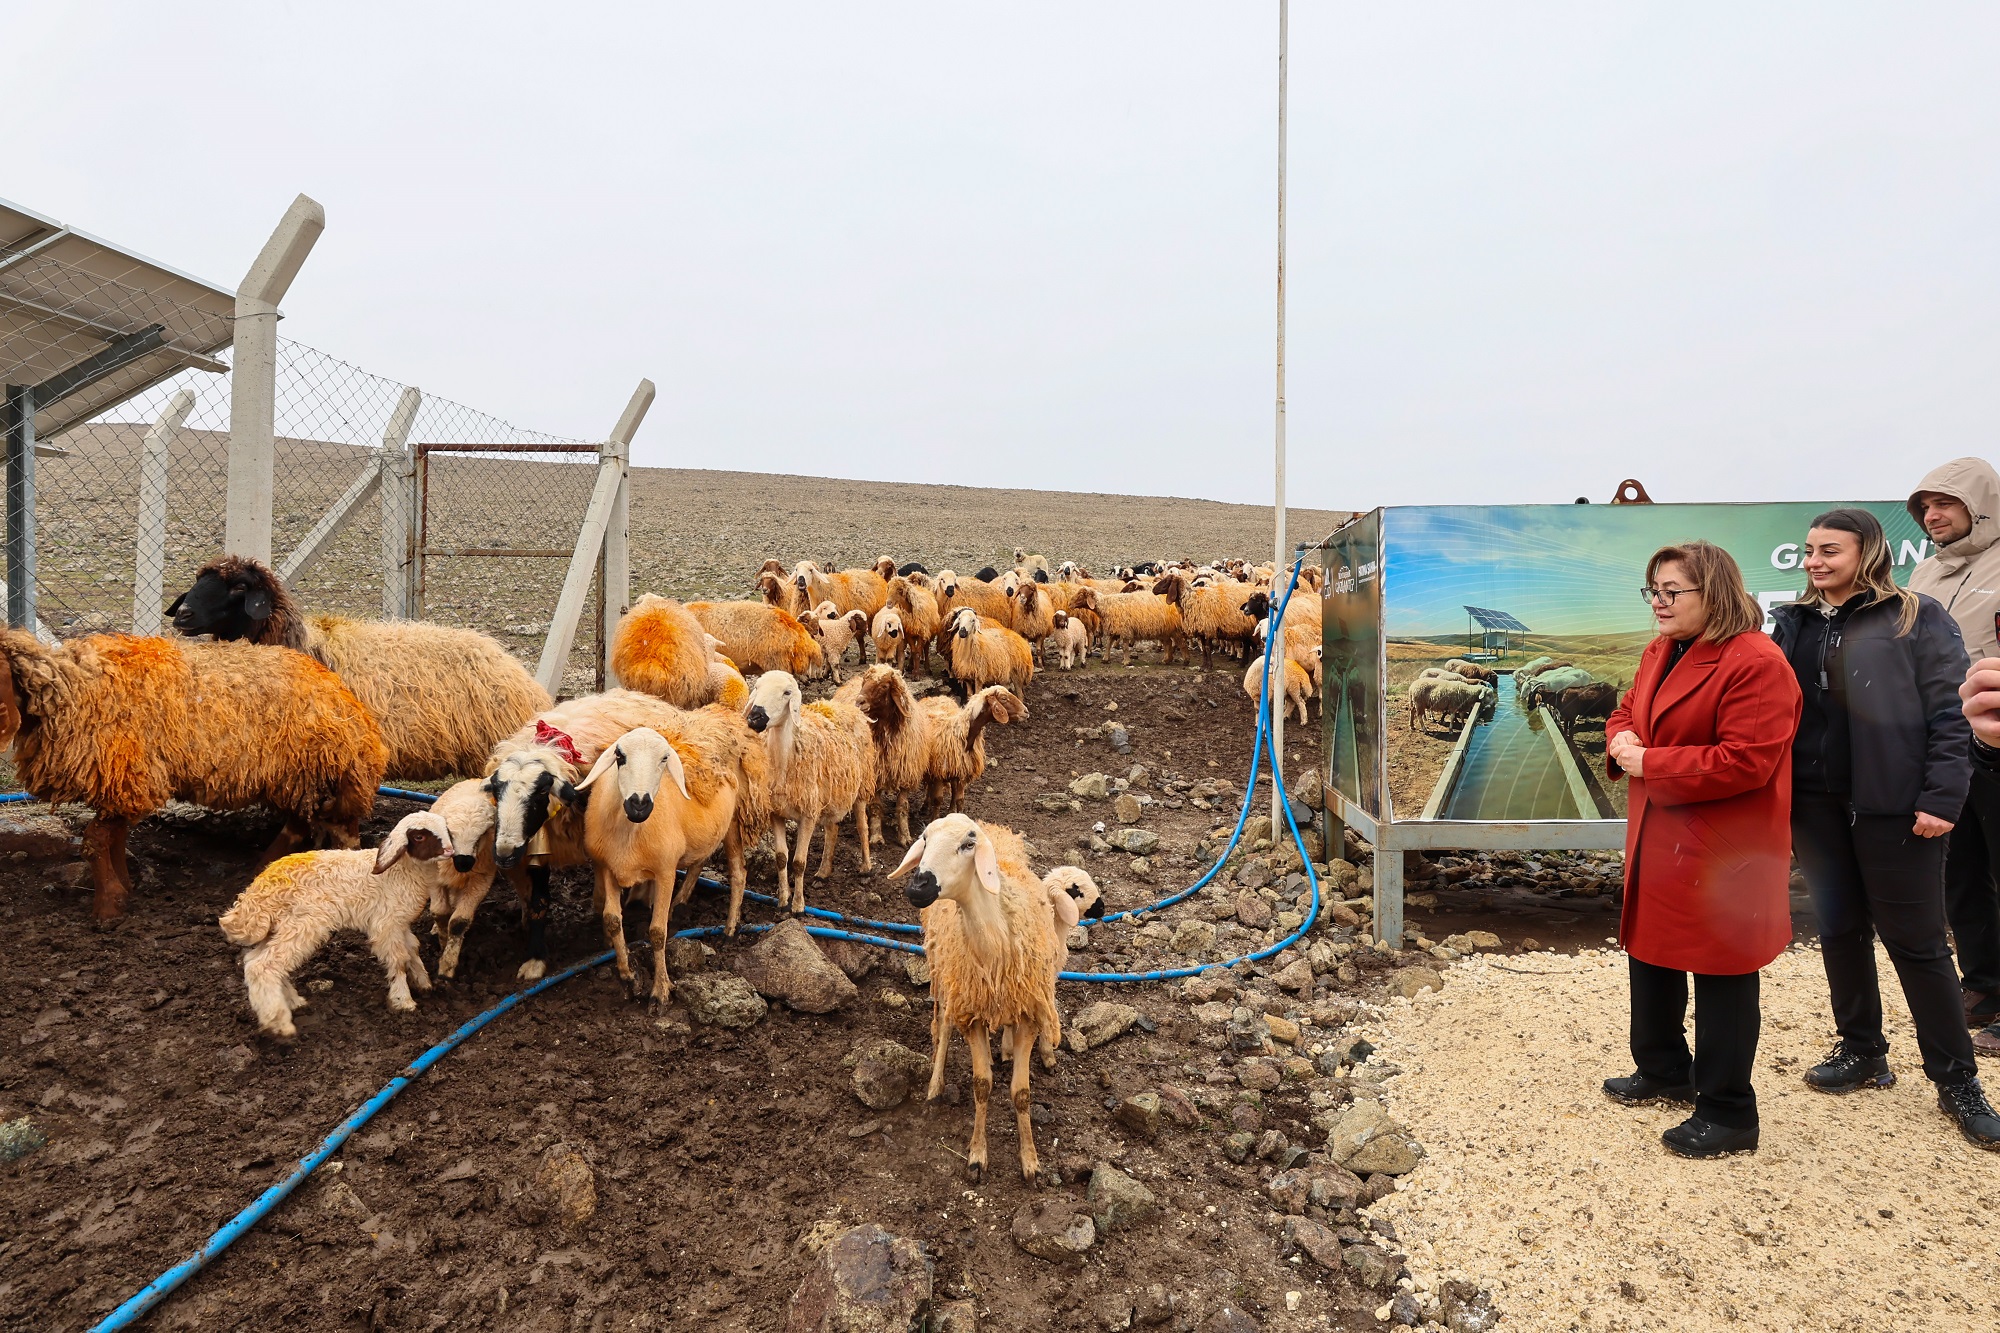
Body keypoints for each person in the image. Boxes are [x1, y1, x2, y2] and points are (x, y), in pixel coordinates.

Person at [1771, 507, 2000, 1149]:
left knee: (1919, 944)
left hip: (1896, 807)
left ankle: (1957, 1081)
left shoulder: (1916, 616)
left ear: (1868, 552)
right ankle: (1863, 1050)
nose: (1815, 561)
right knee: (1840, 929)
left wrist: (1943, 798)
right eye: (1810, 550)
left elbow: (1951, 714)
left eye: (1830, 551)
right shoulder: (1792, 623)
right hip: (1815, 805)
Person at [1602, 541, 1801, 1159]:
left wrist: (1648, 760)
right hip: (1661, 836)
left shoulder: (1757, 662)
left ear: (1713, 592)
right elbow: (1623, 714)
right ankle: (1663, 1067)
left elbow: (1747, 760)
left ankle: (1729, 1110)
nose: (1658, 602)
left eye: (1672, 591)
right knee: (1652, 953)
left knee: (1723, 973)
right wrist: (1623, 737)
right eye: (1652, 590)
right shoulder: (1660, 650)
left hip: (1722, 848)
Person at [1905, 459, 2000, 1047]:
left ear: (1981, 505)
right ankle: (1985, 984)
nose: (1932, 516)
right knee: (1959, 869)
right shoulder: (1923, 573)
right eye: (1925, 507)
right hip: (1943, 741)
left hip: (1996, 736)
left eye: (1946, 503)